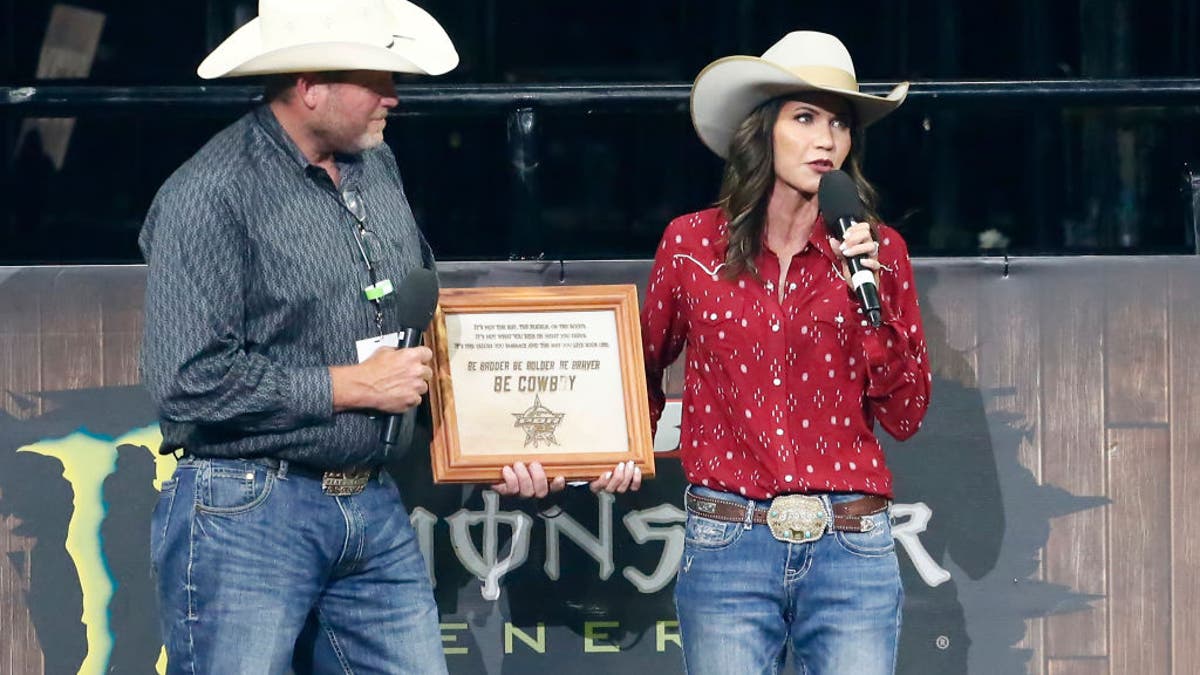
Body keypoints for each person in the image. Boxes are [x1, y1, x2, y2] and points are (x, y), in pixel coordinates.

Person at [139, 1, 637, 672]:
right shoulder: (209, 193)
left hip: (370, 502)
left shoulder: (376, 169)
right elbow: (185, 381)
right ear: (309, 84)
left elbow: (414, 320)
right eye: (376, 79)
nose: (394, 98)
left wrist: (516, 442)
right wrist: (349, 386)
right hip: (247, 508)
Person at [641, 31, 930, 674]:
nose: (826, 141)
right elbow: (642, 367)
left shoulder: (880, 253)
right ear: (762, 131)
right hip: (728, 540)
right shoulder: (690, 244)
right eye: (805, 118)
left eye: (840, 124)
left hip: (851, 544)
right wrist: (611, 450)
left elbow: (907, 413)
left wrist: (870, 300)